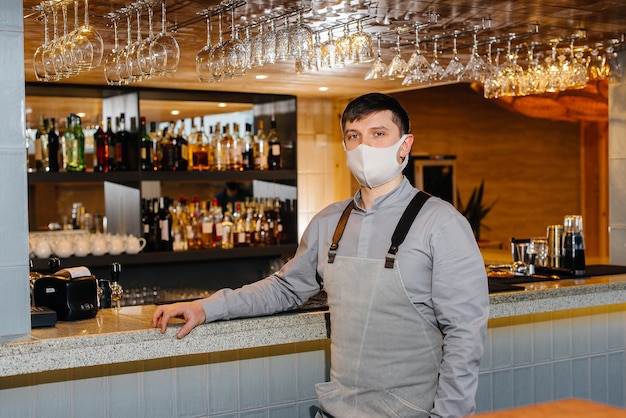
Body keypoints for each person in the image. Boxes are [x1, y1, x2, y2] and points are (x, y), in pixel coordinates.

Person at [152, 92, 489, 418]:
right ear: (345, 146)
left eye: (379, 134)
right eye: (354, 136)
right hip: (339, 410)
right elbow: (284, 288)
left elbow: (465, 333)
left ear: (405, 145)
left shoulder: (441, 222)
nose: (365, 146)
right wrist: (205, 307)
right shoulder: (330, 221)